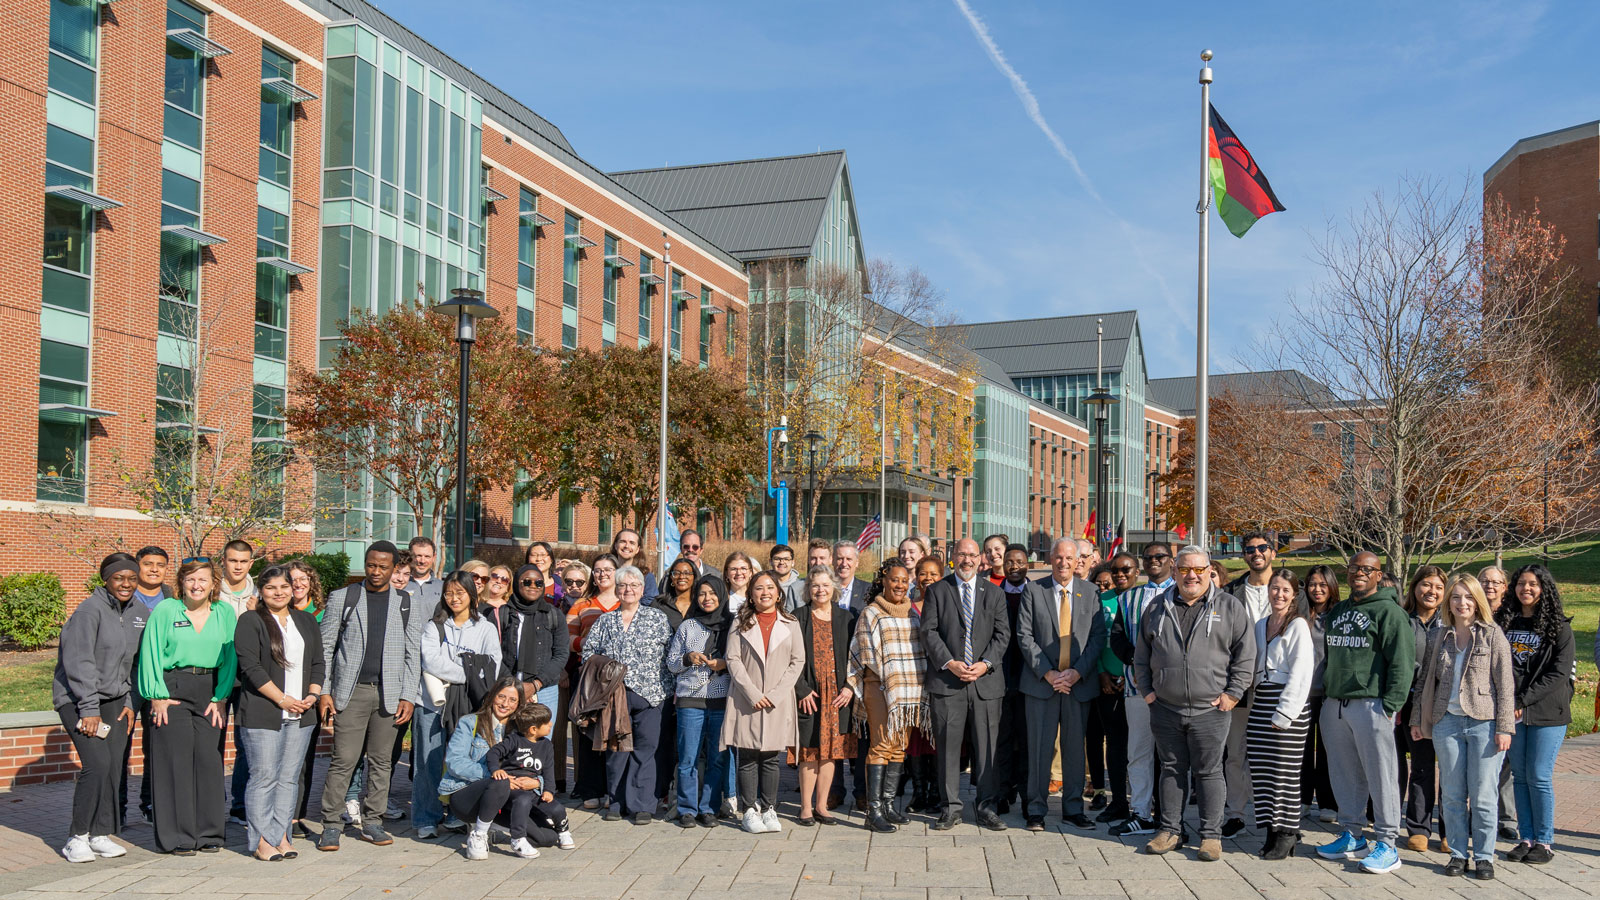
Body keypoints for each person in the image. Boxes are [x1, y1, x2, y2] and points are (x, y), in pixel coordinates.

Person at [1133, 545, 1254, 862]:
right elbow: (1141, 656)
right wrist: (1147, 691)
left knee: (1209, 772)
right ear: (1174, 571)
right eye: (1185, 569)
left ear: (1208, 570)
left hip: (1211, 709)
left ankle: (1210, 837)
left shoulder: (1229, 607)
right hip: (1166, 707)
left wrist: (1233, 693)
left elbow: (1245, 655)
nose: (1192, 575)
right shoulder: (1157, 608)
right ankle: (1170, 830)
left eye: (1199, 569)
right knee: (1171, 770)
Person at [316, 541, 423, 851]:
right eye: (371, 565)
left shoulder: (406, 603)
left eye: (383, 567)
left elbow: (412, 653)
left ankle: (373, 821)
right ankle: (332, 824)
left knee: (382, 762)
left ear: (394, 569)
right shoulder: (343, 598)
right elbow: (326, 648)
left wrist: (408, 695)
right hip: (351, 693)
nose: (376, 571)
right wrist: (324, 691)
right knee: (344, 761)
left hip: (390, 696)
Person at [1315, 551, 1414, 875]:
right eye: (1355, 568)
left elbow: (1401, 662)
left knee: (1381, 775)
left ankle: (1387, 843)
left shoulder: (1390, 612)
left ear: (1377, 574)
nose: (1359, 573)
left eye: (1367, 569)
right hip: (1336, 704)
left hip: (1372, 705)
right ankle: (1352, 835)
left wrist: (1390, 706)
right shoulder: (1339, 611)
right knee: (1344, 774)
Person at [1411, 575, 1513, 880]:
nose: (1462, 603)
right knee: (1453, 795)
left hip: (1484, 723)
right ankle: (1457, 854)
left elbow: (1506, 687)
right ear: (1449, 603)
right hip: (1447, 722)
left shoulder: (1493, 635)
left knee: (1483, 795)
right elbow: (1425, 683)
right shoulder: (1440, 636)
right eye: (1456, 597)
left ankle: (1483, 856)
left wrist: (1505, 727)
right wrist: (1418, 719)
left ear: (1477, 600)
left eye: (1468, 597)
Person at [137, 557, 238, 855]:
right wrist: (155, 694)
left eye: (203, 579)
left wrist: (221, 698)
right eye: (190, 579)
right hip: (172, 688)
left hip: (210, 691)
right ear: (181, 582)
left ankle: (208, 834)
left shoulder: (224, 612)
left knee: (208, 762)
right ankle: (177, 837)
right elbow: (150, 653)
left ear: (213, 584)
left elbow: (231, 659)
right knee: (174, 763)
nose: (197, 585)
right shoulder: (167, 610)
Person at [55, 554, 148, 864]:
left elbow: (136, 664)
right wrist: (88, 708)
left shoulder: (140, 612)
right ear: (106, 579)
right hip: (78, 700)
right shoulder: (88, 611)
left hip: (116, 701)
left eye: (132, 578)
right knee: (96, 765)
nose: (126, 584)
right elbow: (78, 663)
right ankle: (76, 837)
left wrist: (129, 702)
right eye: (119, 578)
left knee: (112, 767)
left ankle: (100, 834)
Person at [921, 537, 1012, 832]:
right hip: (948, 681)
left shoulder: (994, 593)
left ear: (980, 559)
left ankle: (987, 807)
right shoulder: (938, 590)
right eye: (962, 554)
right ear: (953, 556)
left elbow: (1003, 635)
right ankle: (950, 808)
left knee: (987, 748)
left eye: (973, 555)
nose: (968, 560)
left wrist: (985, 663)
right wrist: (949, 662)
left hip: (985, 681)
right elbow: (929, 631)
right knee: (948, 747)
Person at [235, 565, 324, 862]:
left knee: (288, 778)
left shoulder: (306, 620)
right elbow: (251, 667)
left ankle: (281, 835)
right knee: (264, 777)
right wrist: (283, 700)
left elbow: (318, 662)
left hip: (303, 712)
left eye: (284, 586)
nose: (279, 592)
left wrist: (312, 695)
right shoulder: (251, 621)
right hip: (265, 711)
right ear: (261, 591)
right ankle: (261, 840)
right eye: (271, 587)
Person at [1018, 538, 1107, 833]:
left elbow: (1097, 638)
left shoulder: (1090, 592)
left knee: (1073, 751)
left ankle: (1072, 809)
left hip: (1077, 685)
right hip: (1041, 685)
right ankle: (1036, 810)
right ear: (1050, 559)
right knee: (1039, 750)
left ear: (1078, 560)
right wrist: (1048, 674)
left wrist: (1076, 673)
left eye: (1070, 558)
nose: (1064, 563)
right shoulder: (1034, 590)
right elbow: (1025, 637)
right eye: (1058, 557)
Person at [581, 565, 673, 825]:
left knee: (645, 750)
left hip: (651, 695)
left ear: (642, 590)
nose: (628, 589)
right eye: (623, 585)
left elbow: (669, 656)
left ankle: (643, 804)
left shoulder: (657, 618)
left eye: (634, 585)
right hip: (614, 697)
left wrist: (670, 689)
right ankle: (617, 801)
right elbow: (589, 655)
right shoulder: (606, 620)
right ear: (617, 589)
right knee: (616, 750)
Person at [414, 571, 502, 838]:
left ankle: (456, 813)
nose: (454, 598)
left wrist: (469, 673)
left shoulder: (485, 628)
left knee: (461, 761)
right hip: (432, 702)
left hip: (470, 704)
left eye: (460, 593)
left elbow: (494, 665)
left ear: (472, 596)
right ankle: (425, 818)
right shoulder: (435, 626)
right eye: (449, 593)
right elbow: (430, 661)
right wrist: (470, 672)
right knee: (428, 762)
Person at [1497, 564, 1574, 866]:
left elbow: (1559, 673)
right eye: (1520, 583)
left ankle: (1545, 841)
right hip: (1512, 710)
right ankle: (1525, 838)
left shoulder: (1560, 628)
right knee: (1520, 776)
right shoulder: (1505, 622)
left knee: (1539, 776)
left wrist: (1523, 699)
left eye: (1533, 584)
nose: (1525, 589)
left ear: (1544, 589)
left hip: (1546, 713)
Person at [441, 678, 567, 860]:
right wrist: (495, 774)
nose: (505, 704)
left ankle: (495, 824)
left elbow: (540, 766)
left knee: (547, 838)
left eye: (512, 700)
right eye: (501, 697)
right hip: (468, 797)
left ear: (519, 704)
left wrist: (536, 782)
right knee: (500, 782)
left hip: (509, 798)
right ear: (492, 696)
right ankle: (478, 835)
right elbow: (455, 762)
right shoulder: (470, 722)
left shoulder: (523, 730)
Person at [722, 571, 806, 834]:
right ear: (751, 594)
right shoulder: (740, 622)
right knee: (747, 755)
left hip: (777, 700)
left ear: (779, 593)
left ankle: (769, 807)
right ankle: (749, 809)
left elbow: (797, 661)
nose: (765, 592)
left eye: (770, 587)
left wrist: (777, 693)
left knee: (771, 757)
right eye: (759, 588)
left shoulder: (790, 623)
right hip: (747, 699)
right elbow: (732, 659)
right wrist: (753, 693)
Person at [847, 560, 928, 834]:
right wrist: (892, 676)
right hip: (879, 687)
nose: (900, 585)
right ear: (884, 580)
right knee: (881, 745)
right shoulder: (871, 613)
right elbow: (866, 654)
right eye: (895, 580)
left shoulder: (913, 614)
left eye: (905, 581)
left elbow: (919, 651)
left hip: (908, 692)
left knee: (899, 746)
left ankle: (890, 805)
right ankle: (874, 811)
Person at [1107, 541, 1176, 838]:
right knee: (1138, 752)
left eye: (1159, 556)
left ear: (1171, 560)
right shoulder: (1129, 598)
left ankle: (1171, 816)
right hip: (1137, 687)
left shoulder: (1184, 593)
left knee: (1172, 756)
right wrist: (1137, 660)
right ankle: (1140, 812)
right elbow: (1118, 638)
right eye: (1148, 558)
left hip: (1176, 691)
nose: (1153, 561)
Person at [1246, 569, 1315, 860]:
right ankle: (1271, 831)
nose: (1279, 594)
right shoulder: (1261, 624)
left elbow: (1302, 671)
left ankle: (1287, 831)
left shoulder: (1298, 625)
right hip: (1261, 700)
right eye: (1275, 588)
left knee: (1284, 775)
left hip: (1288, 703)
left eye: (1285, 590)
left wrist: (1285, 713)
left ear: (1294, 594)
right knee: (1262, 772)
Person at [1218, 530, 1276, 838]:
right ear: (1244, 555)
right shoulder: (1230, 593)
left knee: (1273, 754)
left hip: (1275, 685)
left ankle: (1272, 816)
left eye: (1262, 548)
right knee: (1236, 751)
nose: (1256, 553)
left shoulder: (1289, 589)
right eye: (1250, 549)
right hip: (1240, 683)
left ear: (1273, 552)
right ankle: (1237, 813)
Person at [667, 574, 735, 827]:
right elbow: (671, 664)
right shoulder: (688, 626)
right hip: (690, 701)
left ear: (721, 595)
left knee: (718, 757)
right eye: (702, 593)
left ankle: (709, 808)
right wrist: (687, 658)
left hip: (720, 701)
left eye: (712, 593)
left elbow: (740, 660)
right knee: (688, 757)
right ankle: (686, 808)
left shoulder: (733, 625)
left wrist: (724, 663)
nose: (707, 598)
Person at [791, 567, 857, 826]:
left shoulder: (846, 618)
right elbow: (789, 658)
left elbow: (855, 658)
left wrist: (849, 687)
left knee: (831, 751)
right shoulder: (798, 617)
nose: (820, 590)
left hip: (837, 695)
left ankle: (822, 805)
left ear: (834, 588)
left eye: (825, 585)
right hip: (810, 693)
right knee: (809, 750)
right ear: (808, 590)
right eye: (815, 585)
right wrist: (801, 689)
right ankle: (805, 807)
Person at [1397, 565, 1447, 852]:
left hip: (1446, 704)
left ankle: (1449, 830)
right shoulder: (1404, 621)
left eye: (1439, 587)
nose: (1432, 591)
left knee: (1451, 770)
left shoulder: (1451, 621)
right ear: (1415, 587)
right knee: (1421, 766)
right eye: (1427, 585)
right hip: (1412, 703)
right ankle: (1418, 828)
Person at [566, 555, 620, 807]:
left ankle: (613, 788)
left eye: (607, 570)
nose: (602, 575)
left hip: (618, 678)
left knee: (614, 731)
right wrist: (588, 644)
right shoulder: (581, 604)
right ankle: (590, 788)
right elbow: (568, 639)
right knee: (588, 730)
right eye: (597, 571)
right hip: (588, 674)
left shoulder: (627, 600)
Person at [485, 702, 571, 858]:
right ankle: (518, 839)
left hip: (536, 790)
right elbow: (493, 753)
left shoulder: (546, 745)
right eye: (547, 723)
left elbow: (549, 770)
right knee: (523, 800)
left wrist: (548, 791)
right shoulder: (514, 740)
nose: (550, 724)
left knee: (557, 809)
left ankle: (563, 832)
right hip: (514, 789)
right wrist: (496, 770)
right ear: (533, 729)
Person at [1090, 552, 1138, 825]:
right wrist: (1101, 674)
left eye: (1126, 570)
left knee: (1142, 747)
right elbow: (1093, 641)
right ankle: (1119, 800)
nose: (1120, 575)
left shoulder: (1145, 600)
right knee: (1116, 745)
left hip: (1139, 684)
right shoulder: (1101, 601)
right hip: (1108, 684)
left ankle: (1145, 801)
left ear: (1136, 571)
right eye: (1116, 571)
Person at [128, 545, 172, 825]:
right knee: (120, 745)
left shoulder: (172, 598)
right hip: (128, 679)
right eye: (148, 563)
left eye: (160, 564)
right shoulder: (124, 595)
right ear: (137, 566)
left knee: (155, 745)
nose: (154, 569)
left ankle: (150, 802)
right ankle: (116, 806)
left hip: (160, 680)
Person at [1478, 564, 1519, 842]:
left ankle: (1507, 818)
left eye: (1496, 582)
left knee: (1507, 763)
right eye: (1484, 581)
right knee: (1481, 759)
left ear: (1505, 587)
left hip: (1510, 698)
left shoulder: (1515, 618)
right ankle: (1480, 814)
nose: (1490, 586)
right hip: (1477, 698)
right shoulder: (1470, 612)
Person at [286, 560, 326, 835]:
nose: (298, 584)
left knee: (304, 760)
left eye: (304, 579)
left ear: (312, 583)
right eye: (292, 580)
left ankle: (297, 817)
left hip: (310, 694)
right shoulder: (276, 612)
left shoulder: (322, 614)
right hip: (281, 692)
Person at [995, 545, 1032, 816]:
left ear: (1027, 564)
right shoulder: (994, 594)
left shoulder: (1038, 593)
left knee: (1028, 740)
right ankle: (1002, 792)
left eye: (1019, 561)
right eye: (1010, 562)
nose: (1015, 566)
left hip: (1030, 679)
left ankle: (1028, 795)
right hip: (999, 677)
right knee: (1002, 739)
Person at [1301, 565, 1339, 826]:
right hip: (1303, 693)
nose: (1317, 589)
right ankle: (1302, 799)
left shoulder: (1339, 616)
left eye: (1323, 585)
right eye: (1313, 584)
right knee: (1302, 750)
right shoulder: (1300, 616)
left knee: (1328, 750)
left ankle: (1328, 802)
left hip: (1329, 693)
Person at [501, 565, 568, 713]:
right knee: (505, 735)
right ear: (517, 583)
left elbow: (561, 655)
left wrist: (535, 685)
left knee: (539, 735)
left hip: (545, 689)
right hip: (507, 687)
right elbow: (494, 654)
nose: (533, 586)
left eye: (538, 583)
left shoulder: (554, 615)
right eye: (527, 582)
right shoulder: (502, 614)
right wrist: (515, 686)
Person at [611, 528, 658, 601]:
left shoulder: (647, 576)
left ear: (637, 549)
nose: (627, 546)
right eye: (623, 541)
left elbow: (650, 601)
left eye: (632, 543)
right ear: (615, 545)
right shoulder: (606, 573)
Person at [833, 541, 872, 612]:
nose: (844, 564)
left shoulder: (868, 590)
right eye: (840, 559)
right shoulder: (824, 589)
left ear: (857, 563)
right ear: (832, 561)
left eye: (849, 559)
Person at [406, 537, 443, 608]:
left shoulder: (443, 587)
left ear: (434, 558)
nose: (422, 561)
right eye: (418, 556)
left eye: (427, 556)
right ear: (410, 556)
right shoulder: (400, 584)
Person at [768, 545, 803, 611]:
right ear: (770, 561)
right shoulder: (763, 584)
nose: (781, 562)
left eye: (786, 559)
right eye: (777, 559)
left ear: (793, 562)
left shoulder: (801, 586)